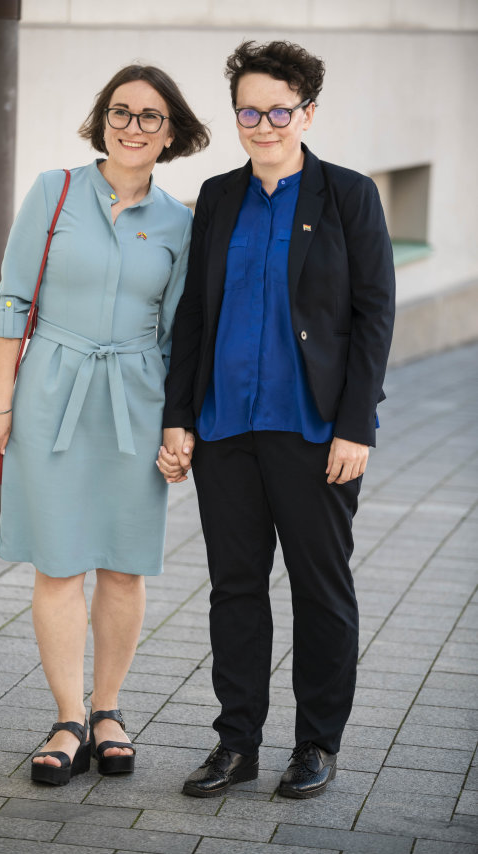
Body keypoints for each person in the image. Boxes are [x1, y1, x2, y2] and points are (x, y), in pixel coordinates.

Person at [157, 40, 395, 799]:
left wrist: (356, 427)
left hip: (313, 431)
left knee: (320, 591)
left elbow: (373, 315)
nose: (263, 124)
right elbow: (194, 313)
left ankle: (316, 746)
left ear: (307, 112)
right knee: (235, 590)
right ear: (237, 116)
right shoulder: (220, 196)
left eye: (278, 110)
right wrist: (179, 416)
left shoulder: (348, 196)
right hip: (226, 430)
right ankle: (237, 744)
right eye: (249, 111)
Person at [0, 64, 209, 786]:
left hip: (135, 399)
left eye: (150, 117)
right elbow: (13, 298)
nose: (132, 126)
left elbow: (179, 337)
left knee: (123, 565)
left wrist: (179, 427)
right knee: (58, 561)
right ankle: (69, 718)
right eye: (121, 111)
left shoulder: (181, 220)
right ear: (101, 118)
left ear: (171, 134)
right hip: (49, 392)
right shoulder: (54, 191)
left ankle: (110, 710)